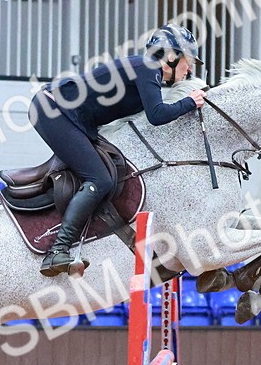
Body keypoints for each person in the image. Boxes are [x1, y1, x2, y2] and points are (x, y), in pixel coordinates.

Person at [31, 24, 207, 276]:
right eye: (188, 62)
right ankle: (57, 250)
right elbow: (156, 116)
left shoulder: (148, 73)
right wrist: (191, 102)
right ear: (171, 56)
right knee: (99, 178)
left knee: (108, 171)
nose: (189, 69)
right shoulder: (148, 68)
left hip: (69, 116)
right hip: (53, 110)